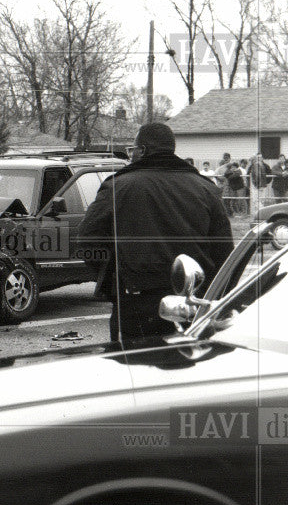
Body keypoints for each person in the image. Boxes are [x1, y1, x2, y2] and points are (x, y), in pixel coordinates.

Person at [78, 122, 233, 347]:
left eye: (133, 150)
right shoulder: (205, 189)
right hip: (192, 303)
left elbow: (87, 239)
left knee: (134, 370)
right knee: (187, 367)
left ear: (142, 151)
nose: (131, 156)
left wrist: (112, 274)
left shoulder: (119, 187)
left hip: (136, 299)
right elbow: (225, 254)